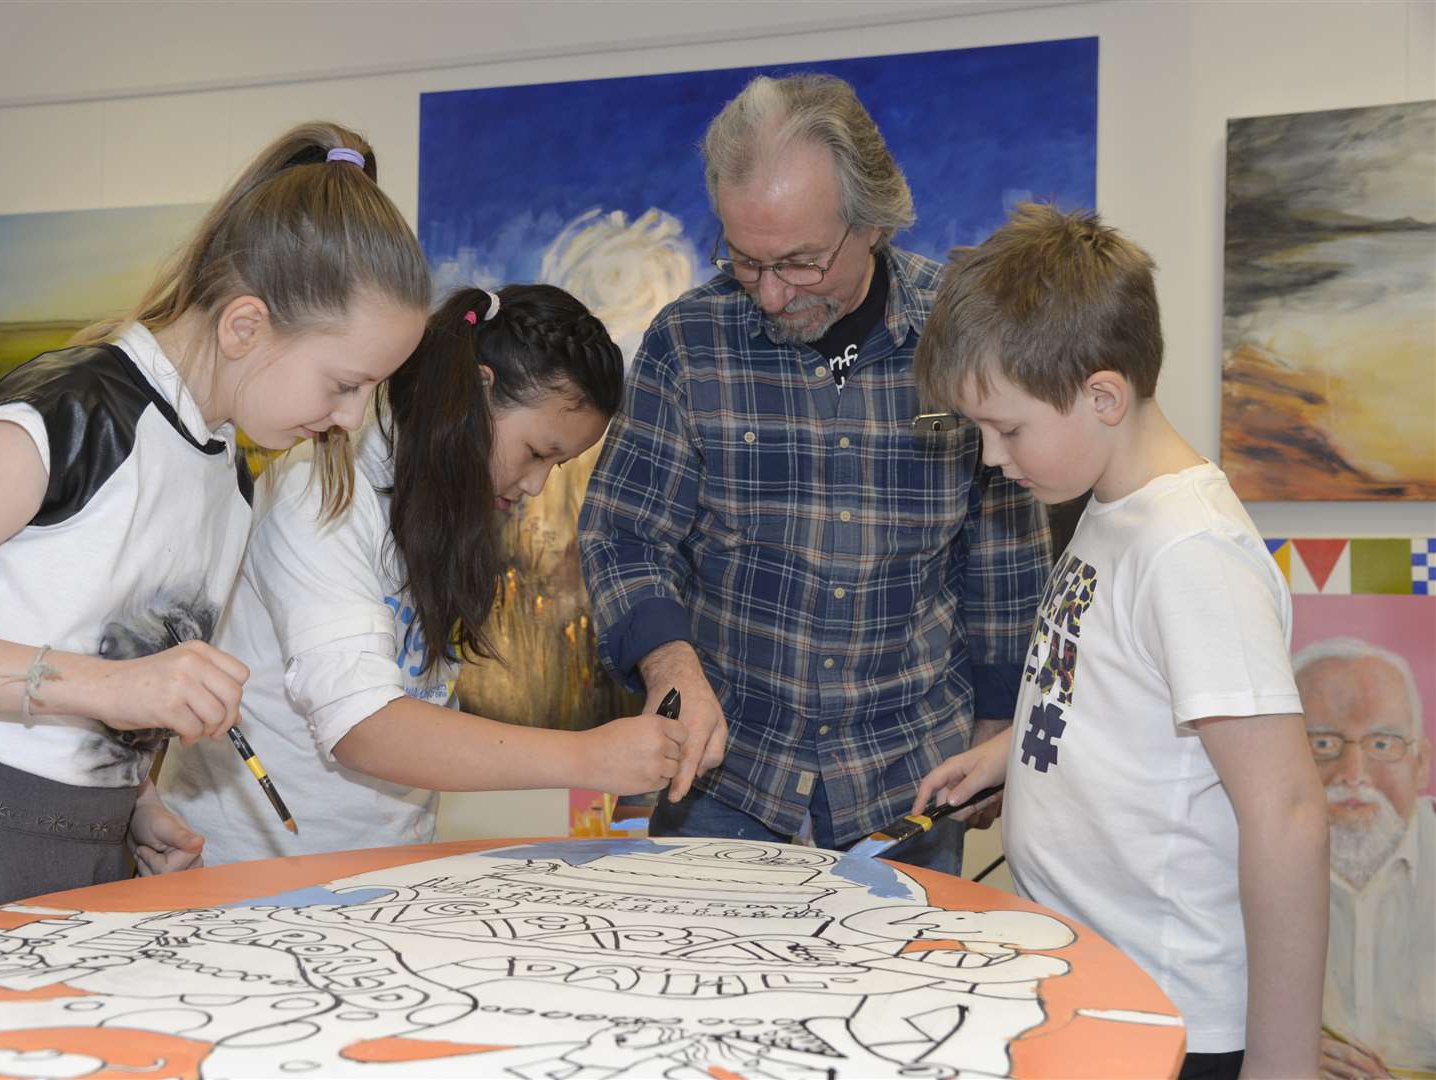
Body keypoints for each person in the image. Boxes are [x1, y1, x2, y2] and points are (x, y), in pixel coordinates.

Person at [0, 122, 433, 960]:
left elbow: (82, 646)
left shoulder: (229, 470)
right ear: (246, 327)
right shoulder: (78, 413)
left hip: (77, 848)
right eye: (346, 383)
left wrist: (131, 801)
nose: (352, 418)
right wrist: (108, 688)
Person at [577, 74, 1049, 865]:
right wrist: (671, 663)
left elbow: (1003, 549)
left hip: (908, 772)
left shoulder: (959, 332)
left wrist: (1000, 725)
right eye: (744, 260)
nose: (768, 294)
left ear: (872, 224)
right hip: (724, 772)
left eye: (798, 262)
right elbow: (623, 533)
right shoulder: (689, 341)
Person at [908, 203, 1328, 1079]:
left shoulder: (1191, 552)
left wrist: (1282, 1065)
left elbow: (1286, 815)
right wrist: (1006, 760)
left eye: (1008, 428)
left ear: (1102, 396)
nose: (991, 459)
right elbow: (1103, 692)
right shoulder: (1109, 509)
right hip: (1092, 979)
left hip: (1173, 1016)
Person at [159, 285, 685, 864]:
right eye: (537, 452)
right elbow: (364, 728)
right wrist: (587, 759)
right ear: (479, 392)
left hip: (377, 864)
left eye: (557, 466)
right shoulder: (323, 490)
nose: (537, 485)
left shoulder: (443, 506)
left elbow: (419, 707)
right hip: (252, 869)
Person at [1295, 638, 1434, 1079]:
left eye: (1382, 743)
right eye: (1322, 745)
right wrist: (1273, 1051)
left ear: (1422, 762)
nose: (1353, 774)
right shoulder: (1226, 865)